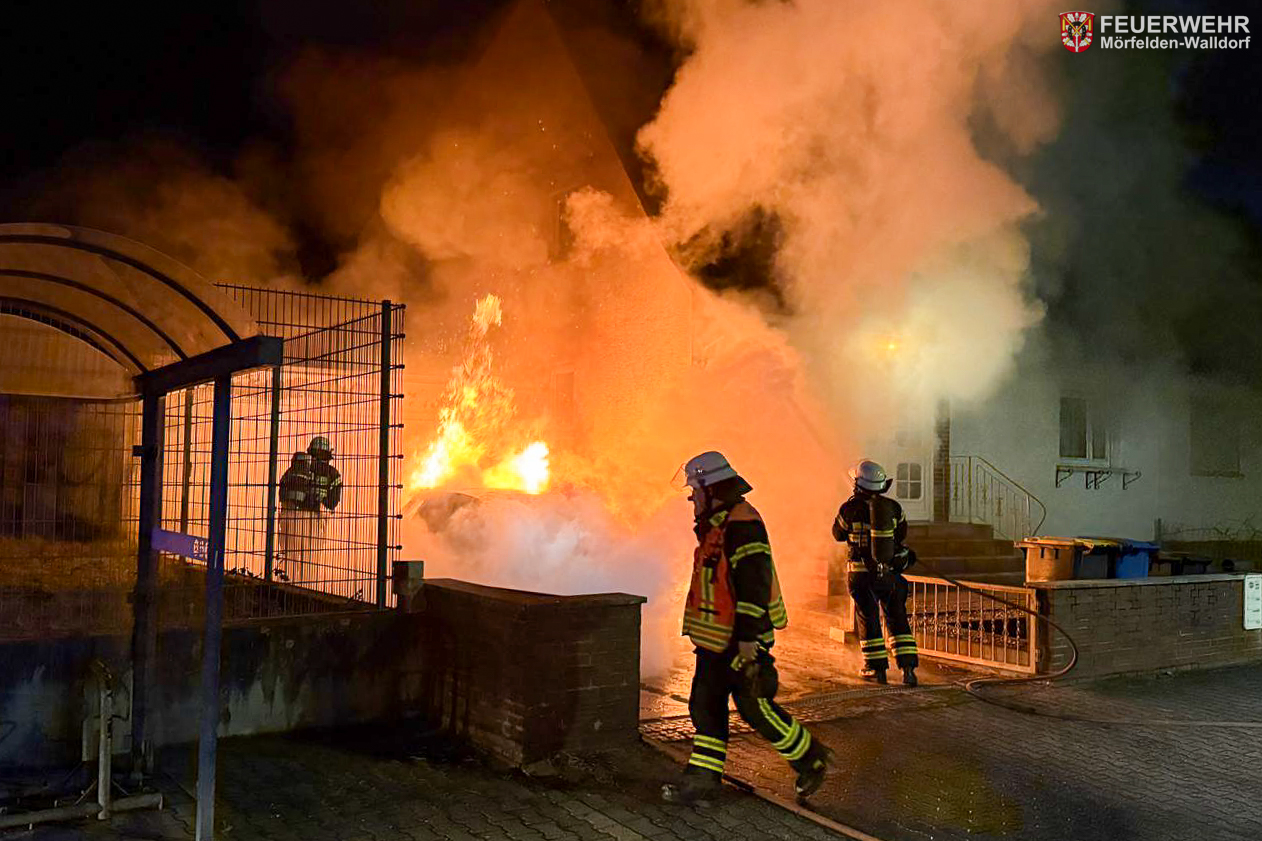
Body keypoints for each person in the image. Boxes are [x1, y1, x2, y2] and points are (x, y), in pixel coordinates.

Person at [662, 451, 832, 806]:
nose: (692, 498)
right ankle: (702, 780)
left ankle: (811, 758)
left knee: (754, 707)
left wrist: (747, 640)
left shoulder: (743, 524)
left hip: (739, 641)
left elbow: (754, 585)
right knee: (706, 707)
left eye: (695, 490)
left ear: (712, 488)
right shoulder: (720, 523)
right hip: (716, 641)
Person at [832, 459, 919, 686]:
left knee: (869, 618)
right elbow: (901, 534)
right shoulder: (894, 508)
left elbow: (838, 534)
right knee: (897, 617)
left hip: (861, 575)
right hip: (889, 575)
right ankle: (908, 670)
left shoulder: (849, 509)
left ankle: (876, 669)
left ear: (858, 484)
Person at [277, 451, 315, 583]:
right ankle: (301, 579)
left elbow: (281, 492)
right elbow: (311, 497)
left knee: (287, 549)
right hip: (300, 517)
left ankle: (286, 577)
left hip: (286, 514)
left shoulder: (288, 473)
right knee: (302, 549)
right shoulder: (309, 475)